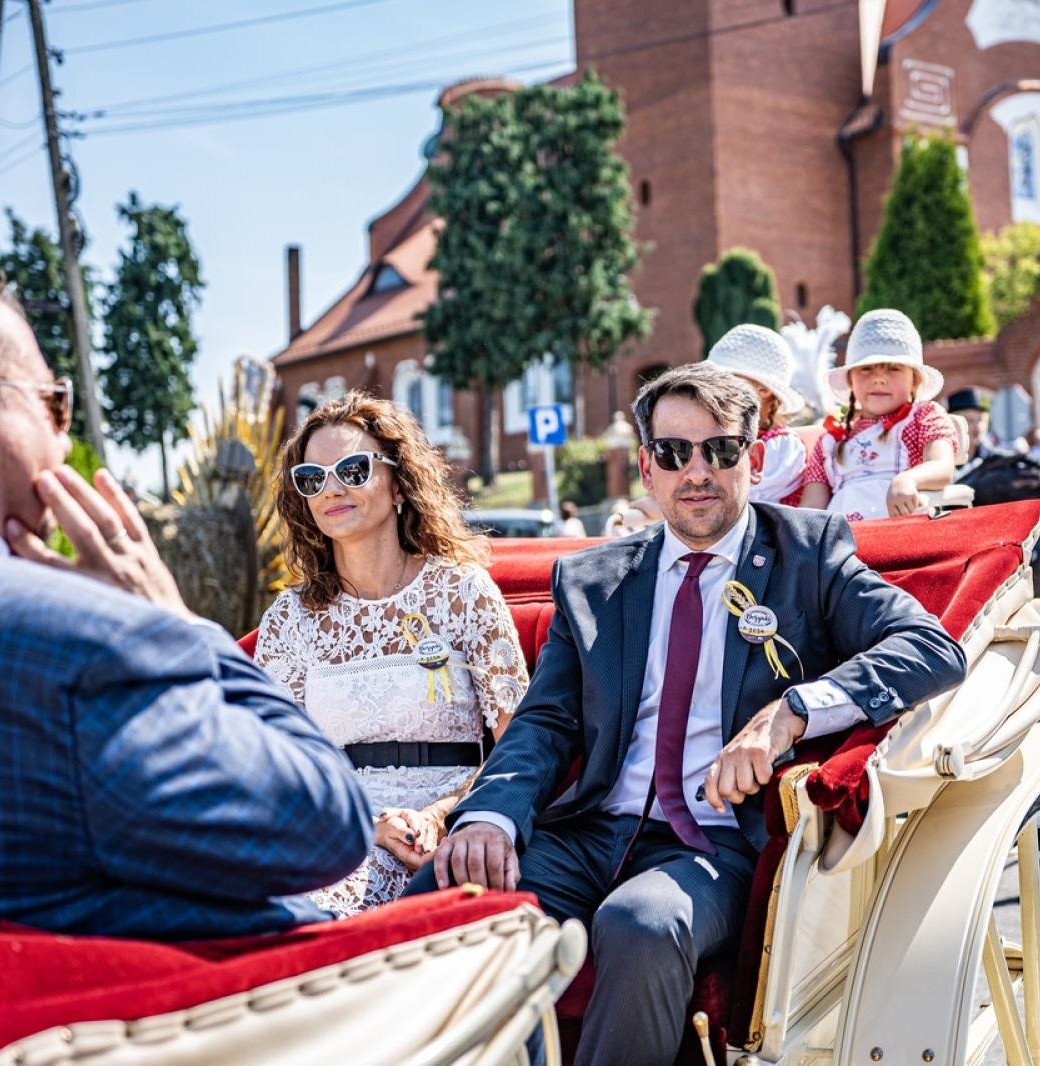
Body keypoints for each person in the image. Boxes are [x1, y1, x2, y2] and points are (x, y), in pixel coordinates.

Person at [410, 363, 967, 1065]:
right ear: (647, 468)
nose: (696, 471)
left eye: (721, 450)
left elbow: (929, 647)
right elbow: (545, 722)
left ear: (754, 457)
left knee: (642, 923)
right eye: (674, 453)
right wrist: (491, 813)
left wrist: (791, 713)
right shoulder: (594, 579)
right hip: (587, 832)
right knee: (441, 891)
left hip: (715, 844)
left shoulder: (809, 554)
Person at [0, 271, 373, 939]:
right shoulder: (75, 642)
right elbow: (327, 820)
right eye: (55, 405)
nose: (61, 441)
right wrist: (175, 621)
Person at [255, 393, 529, 917]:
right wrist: (364, 825)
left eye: (353, 469)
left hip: (447, 821)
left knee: (308, 910)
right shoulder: (289, 618)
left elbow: (519, 744)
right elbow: (277, 768)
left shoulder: (462, 592)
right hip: (338, 823)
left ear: (399, 482)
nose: (332, 488)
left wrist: (441, 816)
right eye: (313, 478)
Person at [799, 309, 959, 520]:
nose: (879, 379)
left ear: (915, 380)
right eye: (866, 369)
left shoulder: (923, 416)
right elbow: (811, 507)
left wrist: (908, 480)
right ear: (850, 380)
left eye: (893, 369)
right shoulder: (831, 438)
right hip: (841, 541)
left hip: (903, 532)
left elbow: (943, 466)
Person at [704, 323, 808, 506]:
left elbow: (740, 496)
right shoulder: (715, 440)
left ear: (763, 389)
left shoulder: (782, 447)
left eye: (725, 381)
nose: (713, 391)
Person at [948, 387, 996, 462]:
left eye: (980, 420)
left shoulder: (991, 457)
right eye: (970, 421)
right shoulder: (945, 458)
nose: (977, 427)